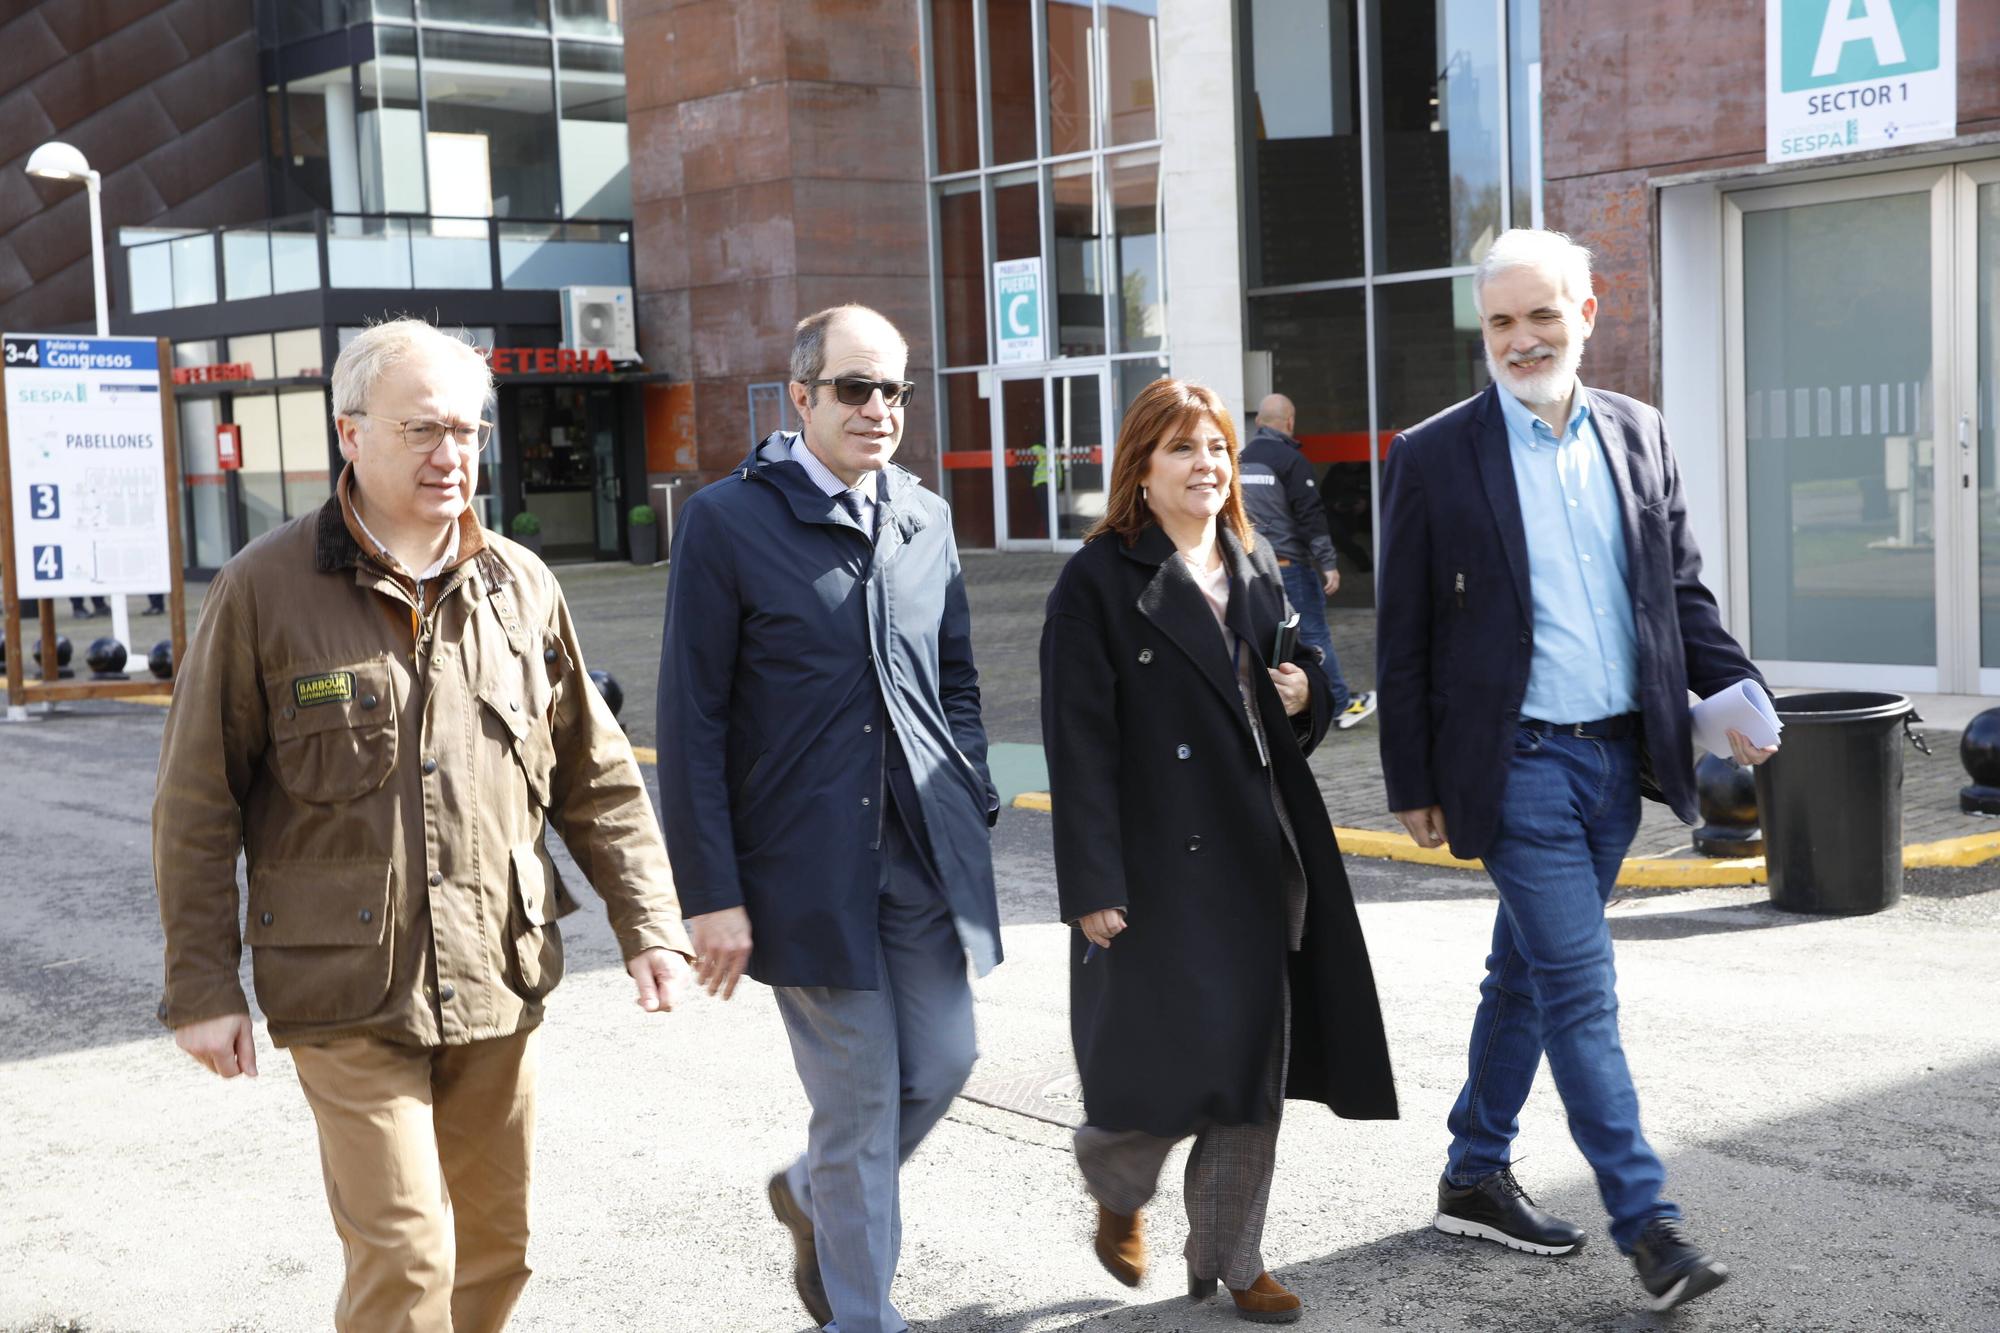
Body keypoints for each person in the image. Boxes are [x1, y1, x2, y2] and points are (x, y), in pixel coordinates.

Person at [152, 318, 693, 1333]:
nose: (453, 454)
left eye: (470, 430)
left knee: (498, 1246)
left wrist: (649, 923)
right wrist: (201, 984)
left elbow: (594, 773)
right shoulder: (263, 591)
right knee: (405, 1256)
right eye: (424, 429)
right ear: (350, 433)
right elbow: (195, 800)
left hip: (498, 968)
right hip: (343, 983)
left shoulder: (520, 584)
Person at [1375, 229, 1776, 1314]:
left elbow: (1675, 591)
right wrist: (1409, 772)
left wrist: (1737, 691)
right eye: (1499, 321)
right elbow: (1400, 634)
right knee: (1579, 991)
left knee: (1525, 977)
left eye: (1540, 315)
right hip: (1510, 768)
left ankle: (1471, 1169)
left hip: (1617, 762)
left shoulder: (1637, 434)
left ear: (1586, 312)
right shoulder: (1432, 453)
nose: (1519, 338)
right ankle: (1647, 1227)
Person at [656, 304, 1001, 1333]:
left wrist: (968, 785)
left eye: (894, 388)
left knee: (943, 1062)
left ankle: (812, 1193)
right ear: (800, 395)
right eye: (855, 387)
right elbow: (690, 721)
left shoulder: (923, 517)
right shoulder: (727, 521)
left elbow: (959, 681)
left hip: (921, 858)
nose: (879, 408)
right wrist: (710, 894)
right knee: (856, 1107)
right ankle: (865, 1314)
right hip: (801, 871)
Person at [1041, 377, 1397, 1325]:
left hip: (1259, 844)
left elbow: (1300, 690)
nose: (1208, 466)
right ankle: (1119, 1182)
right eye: (1184, 449)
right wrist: (1092, 879)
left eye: (1220, 450)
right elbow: (1076, 740)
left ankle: (1234, 1256)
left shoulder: (1254, 561)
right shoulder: (1097, 580)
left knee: (1253, 1063)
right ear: (1141, 469)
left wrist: (1303, 695)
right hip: (1157, 857)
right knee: (1160, 1066)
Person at [1241, 393, 1376, 730]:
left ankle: (1267, 708)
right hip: (1289, 568)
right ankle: (1342, 705)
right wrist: (1328, 563)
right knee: (1315, 637)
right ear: (1290, 422)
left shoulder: (1239, 459)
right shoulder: (1291, 460)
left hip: (1249, 568)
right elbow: (1311, 515)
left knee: (1264, 640)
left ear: (1258, 422)